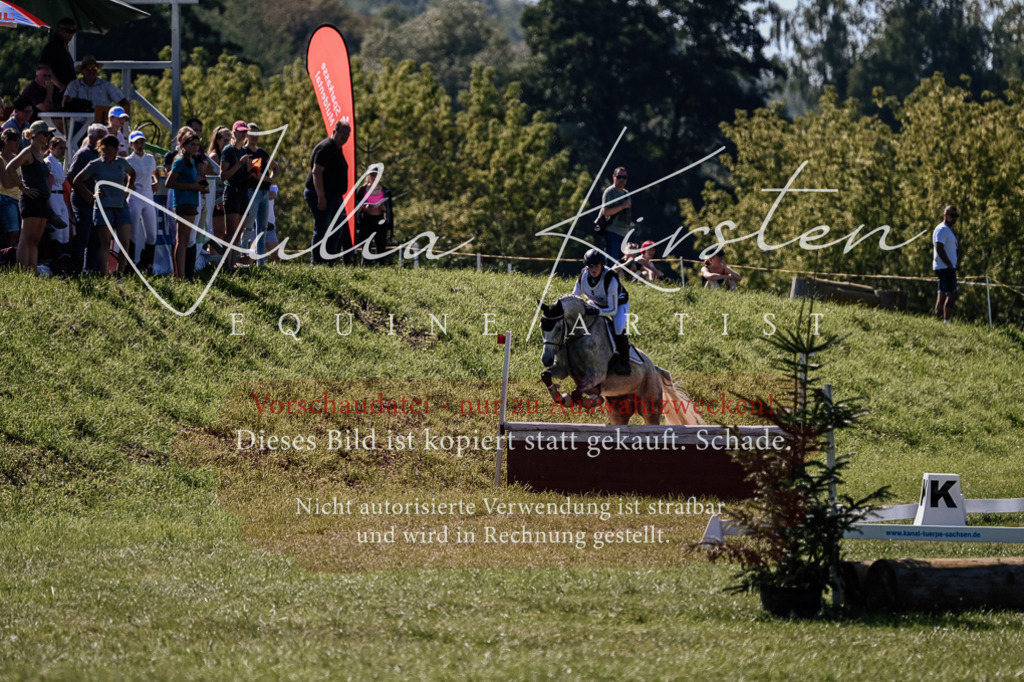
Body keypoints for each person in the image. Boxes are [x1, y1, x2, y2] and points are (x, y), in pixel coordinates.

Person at [72, 134, 136, 275]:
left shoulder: (122, 162)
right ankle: (104, 275)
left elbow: (132, 173)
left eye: (117, 147)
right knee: (105, 243)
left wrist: (128, 189)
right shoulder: (95, 164)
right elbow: (77, 181)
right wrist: (91, 196)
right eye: (113, 147)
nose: (116, 150)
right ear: (104, 148)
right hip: (104, 207)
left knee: (125, 242)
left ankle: (120, 273)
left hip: (121, 206)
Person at [6, 120, 55, 270]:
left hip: (41, 200)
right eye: (45, 134)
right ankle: (23, 273)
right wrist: (22, 187)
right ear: (35, 135)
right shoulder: (28, 152)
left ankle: (32, 273)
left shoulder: (40, 154)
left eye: (49, 134)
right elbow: (10, 167)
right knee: (26, 239)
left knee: (35, 240)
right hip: (31, 200)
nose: (48, 137)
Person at [572, 248, 631, 374]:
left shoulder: (610, 277)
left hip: (618, 305)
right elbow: (574, 298)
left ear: (602, 265)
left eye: (597, 266)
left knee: (618, 327)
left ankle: (625, 362)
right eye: (590, 266)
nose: (593, 269)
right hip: (596, 303)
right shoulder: (583, 276)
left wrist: (597, 312)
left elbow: (612, 310)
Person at [305, 119, 351, 265]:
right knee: (322, 229)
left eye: (347, 134)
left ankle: (329, 263)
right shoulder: (326, 148)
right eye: (342, 133)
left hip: (334, 196)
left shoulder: (337, 148)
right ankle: (318, 263)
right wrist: (321, 196)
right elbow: (316, 172)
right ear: (334, 131)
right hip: (322, 195)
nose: (345, 136)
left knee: (336, 230)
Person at [165, 128, 208, 279]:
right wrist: (192, 186)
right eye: (192, 145)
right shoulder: (180, 161)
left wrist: (200, 186)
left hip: (191, 201)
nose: (195, 148)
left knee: (186, 240)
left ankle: (181, 274)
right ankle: (180, 275)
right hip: (183, 202)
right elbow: (169, 183)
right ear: (184, 145)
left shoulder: (191, 161)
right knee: (182, 240)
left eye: (197, 145)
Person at [67, 123, 108, 274]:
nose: (103, 140)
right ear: (91, 138)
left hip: (97, 202)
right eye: (101, 137)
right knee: (83, 234)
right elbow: (72, 177)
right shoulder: (83, 154)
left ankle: (89, 270)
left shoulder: (102, 156)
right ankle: (74, 270)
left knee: (95, 238)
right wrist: (88, 196)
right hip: (83, 200)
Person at [220, 120, 253, 270]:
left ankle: (232, 264)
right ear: (234, 132)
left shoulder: (244, 151)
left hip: (243, 193)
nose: (243, 134)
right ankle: (226, 266)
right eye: (240, 131)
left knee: (238, 233)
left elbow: (246, 176)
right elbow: (223, 176)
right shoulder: (228, 150)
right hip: (232, 193)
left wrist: (252, 169)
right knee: (230, 233)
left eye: (245, 131)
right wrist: (239, 164)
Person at [242, 122, 277, 265]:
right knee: (248, 228)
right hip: (252, 192)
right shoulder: (244, 152)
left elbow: (275, 166)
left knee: (262, 229)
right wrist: (269, 179)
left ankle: (261, 263)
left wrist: (271, 178)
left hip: (264, 193)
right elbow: (255, 174)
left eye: (257, 134)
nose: (254, 137)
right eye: (252, 133)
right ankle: (243, 260)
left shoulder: (261, 152)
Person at [125, 131, 158, 272]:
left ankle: (147, 263)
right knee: (133, 233)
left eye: (142, 142)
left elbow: (155, 173)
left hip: (148, 194)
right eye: (136, 143)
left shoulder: (150, 158)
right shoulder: (128, 160)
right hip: (135, 195)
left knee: (152, 234)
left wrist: (156, 181)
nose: (140, 145)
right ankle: (130, 263)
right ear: (131, 145)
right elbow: (124, 177)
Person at [354, 168, 393, 264]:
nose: (374, 177)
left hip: (380, 220)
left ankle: (381, 266)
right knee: (366, 246)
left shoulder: (385, 191)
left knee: (381, 246)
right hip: (366, 220)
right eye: (372, 175)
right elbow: (356, 207)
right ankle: (365, 266)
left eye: (376, 175)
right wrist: (364, 208)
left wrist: (384, 208)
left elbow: (389, 209)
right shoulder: (362, 190)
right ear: (368, 176)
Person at [62, 56, 129, 111]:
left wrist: (116, 117)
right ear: (82, 70)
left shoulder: (106, 85)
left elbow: (124, 102)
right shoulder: (74, 85)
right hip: (78, 122)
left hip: (101, 122)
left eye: (95, 68)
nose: (92, 71)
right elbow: (66, 103)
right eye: (89, 68)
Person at [204, 125, 230, 255]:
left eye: (230, 140)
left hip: (226, 198)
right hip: (216, 200)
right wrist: (219, 198)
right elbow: (212, 181)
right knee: (217, 232)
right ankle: (214, 259)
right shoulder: (214, 157)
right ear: (218, 140)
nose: (228, 142)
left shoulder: (231, 154)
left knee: (225, 233)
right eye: (225, 140)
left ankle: (223, 259)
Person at [598, 167, 632, 263]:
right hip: (612, 232)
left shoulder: (626, 193)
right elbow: (606, 212)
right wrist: (623, 206)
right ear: (614, 177)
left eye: (624, 177)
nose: (621, 179)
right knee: (612, 262)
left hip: (625, 233)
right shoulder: (610, 192)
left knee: (625, 263)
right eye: (619, 177)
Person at [933, 205, 960, 323]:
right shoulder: (942, 229)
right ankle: (947, 322)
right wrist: (949, 264)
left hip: (946, 267)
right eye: (952, 216)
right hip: (945, 267)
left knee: (942, 295)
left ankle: (938, 321)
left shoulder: (949, 229)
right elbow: (939, 247)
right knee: (953, 294)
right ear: (945, 216)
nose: (955, 218)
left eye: (956, 216)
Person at [45, 135, 71, 248]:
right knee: (57, 233)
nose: (63, 151)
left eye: (64, 148)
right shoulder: (48, 163)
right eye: (60, 148)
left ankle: (63, 254)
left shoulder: (59, 164)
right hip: (53, 196)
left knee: (65, 231)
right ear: (52, 147)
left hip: (60, 197)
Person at [39, 18, 77, 98]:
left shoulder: (63, 47)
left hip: (66, 93)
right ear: (60, 30)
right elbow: (44, 68)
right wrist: (60, 85)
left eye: (73, 31)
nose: (71, 34)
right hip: (56, 94)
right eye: (68, 31)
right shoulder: (52, 47)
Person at [1, 129, 25, 249]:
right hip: (6, 199)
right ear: (6, 141)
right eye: (15, 141)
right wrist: (19, 181)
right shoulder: (0, 159)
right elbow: (6, 184)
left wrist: (16, 181)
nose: (18, 144)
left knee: (23, 232)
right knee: (14, 232)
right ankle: (11, 256)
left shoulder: (17, 158)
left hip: (19, 199)